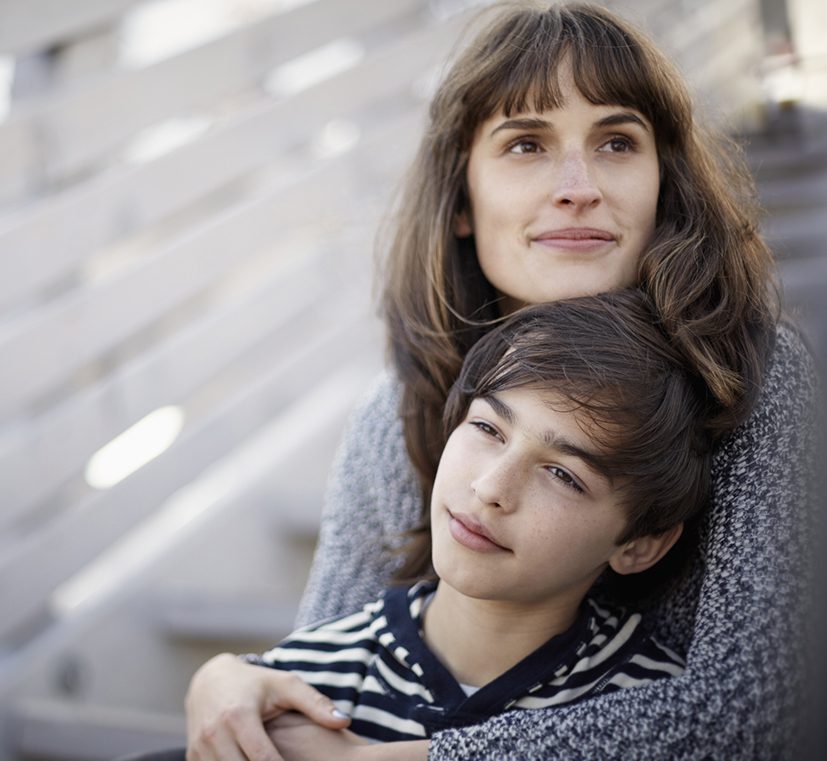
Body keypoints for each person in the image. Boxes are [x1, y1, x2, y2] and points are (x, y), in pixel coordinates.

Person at [184, 3, 819, 760]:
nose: (578, 185)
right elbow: (322, 677)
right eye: (526, 144)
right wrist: (226, 678)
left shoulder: (751, 377)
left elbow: (756, 716)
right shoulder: (400, 409)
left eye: (616, 142)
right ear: (460, 201)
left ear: (662, 182)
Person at [253, 290, 709, 741]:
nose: (491, 488)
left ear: (640, 544)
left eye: (563, 475)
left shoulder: (663, 715)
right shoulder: (301, 685)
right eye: (488, 428)